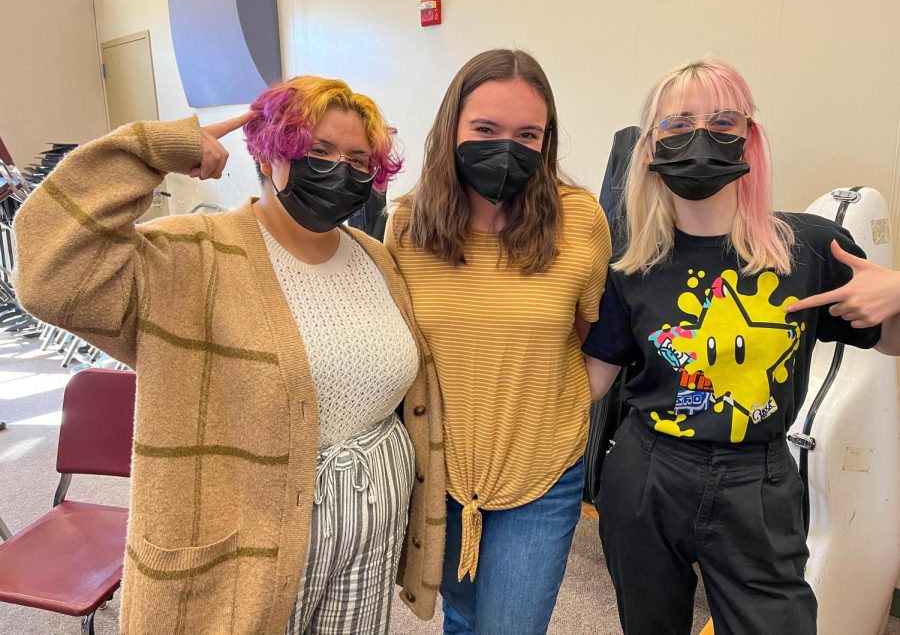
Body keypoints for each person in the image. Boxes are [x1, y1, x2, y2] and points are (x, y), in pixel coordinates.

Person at [12, 75, 447, 635]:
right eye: (318, 150)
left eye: (357, 159)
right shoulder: (187, 257)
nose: (339, 169)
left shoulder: (374, 257)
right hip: (257, 524)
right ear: (270, 154)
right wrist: (158, 151)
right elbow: (49, 272)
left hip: (373, 510)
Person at [581, 57, 900, 635]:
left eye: (723, 122)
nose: (700, 138)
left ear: (749, 140)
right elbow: (588, 383)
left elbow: (888, 342)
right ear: (650, 148)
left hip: (757, 477)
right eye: (677, 125)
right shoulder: (631, 269)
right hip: (649, 470)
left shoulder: (810, 248)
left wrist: (899, 296)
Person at [385, 49, 611, 634]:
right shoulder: (406, 225)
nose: (506, 147)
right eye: (485, 129)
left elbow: (583, 331)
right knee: (460, 616)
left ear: (546, 140)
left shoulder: (580, 221)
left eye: (527, 134)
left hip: (541, 468)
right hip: (439, 471)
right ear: (451, 127)